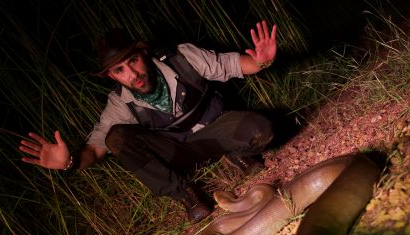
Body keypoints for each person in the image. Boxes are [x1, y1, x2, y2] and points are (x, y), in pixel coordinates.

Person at [19, 20, 277, 223]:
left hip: (217, 128)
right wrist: (69, 162)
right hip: (181, 152)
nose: (132, 74)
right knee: (116, 137)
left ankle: (236, 152)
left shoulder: (182, 58)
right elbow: (95, 149)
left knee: (260, 130)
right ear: (112, 76)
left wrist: (261, 60)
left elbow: (233, 64)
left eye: (133, 61)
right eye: (120, 70)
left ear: (143, 53)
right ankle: (186, 194)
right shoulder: (120, 103)